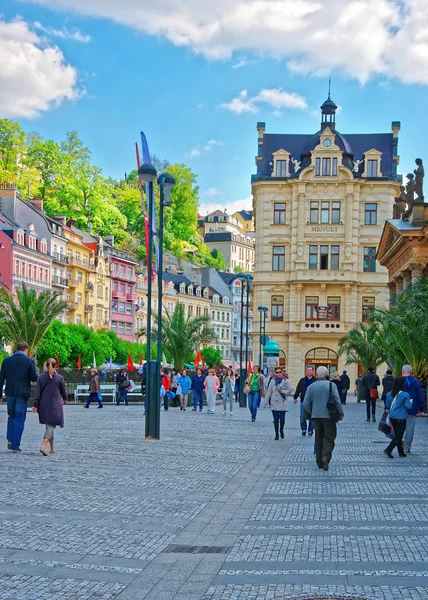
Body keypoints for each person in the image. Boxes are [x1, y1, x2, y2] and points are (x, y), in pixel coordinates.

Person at [303, 366, 344, 471]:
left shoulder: (311, 387)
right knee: (329, 437)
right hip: (329, 416)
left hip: (316, 416)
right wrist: (341, 413)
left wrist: (312, 411)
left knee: (318, 438)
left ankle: (319, 462)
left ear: (316, 374)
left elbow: (306, 403)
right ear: (326, 375)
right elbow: (337, 400)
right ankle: (325, 456)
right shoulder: (331, 385)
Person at [0, 341, 38, 452]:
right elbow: (34, 378)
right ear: (25, 350)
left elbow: (1, 378)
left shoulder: (6, 361)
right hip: (22, 393)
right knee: (20, 418)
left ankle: (10, 439)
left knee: (11, 416)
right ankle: (15, 445)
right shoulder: (29, 361)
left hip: (10, 393)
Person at [32, 358, 67, 455]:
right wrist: (65, 399)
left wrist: (35, 404)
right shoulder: (59, 378)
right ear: (56, 366)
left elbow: (37, 392)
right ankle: (43, 446)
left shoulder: (41, 378)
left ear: (46, 366)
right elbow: (63, 390)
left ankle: (52, 448)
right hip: (55, 404)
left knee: (49, 425)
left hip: (44, 404)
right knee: (51, 426)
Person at [384, 376, 413, 458]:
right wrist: (410, 403)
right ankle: (388, 449)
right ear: (402, 384)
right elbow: (408, 407)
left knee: (397, 434)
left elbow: (388, 405)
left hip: (392, 417)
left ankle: (401, 452)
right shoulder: (405, 395)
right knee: (398, 436)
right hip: (401, 418)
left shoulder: (389, 394)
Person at [264, 367, 294, 440]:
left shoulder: (286, 381)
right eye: (277, 372)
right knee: (276, 419)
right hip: (274, 402)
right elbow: (269, 392)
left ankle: (281, 430)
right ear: (275, 373)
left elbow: (290, 390)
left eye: (279, 372)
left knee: (282, 419)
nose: (278, 373)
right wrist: (265, 402)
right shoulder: (272, 381)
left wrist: (283, 391)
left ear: (282, 372)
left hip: (283, 402)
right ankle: (276, 434)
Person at [402, 365, 425, 454]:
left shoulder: (399, 380)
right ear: (411, 372)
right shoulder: (415, 382)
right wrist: (421, 408)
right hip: (412, 408)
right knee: (410, 427)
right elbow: (419, 395)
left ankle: (400, 442)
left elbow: (393, 394)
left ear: (403, 371)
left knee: (399, 427)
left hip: (400, 408)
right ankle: (407, 447)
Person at [293, 365, 316, 436]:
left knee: (312, 416)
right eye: (307, 370)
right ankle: (304, 429)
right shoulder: (302, 380)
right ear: (305, 371)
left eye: (310, 370)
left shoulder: (315, 380)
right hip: (303, 400)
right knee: (302, 416)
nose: (309, 371)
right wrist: (295, 397)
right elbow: (298, 389)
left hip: (313, 401)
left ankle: (310, 430)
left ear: (313, 371)